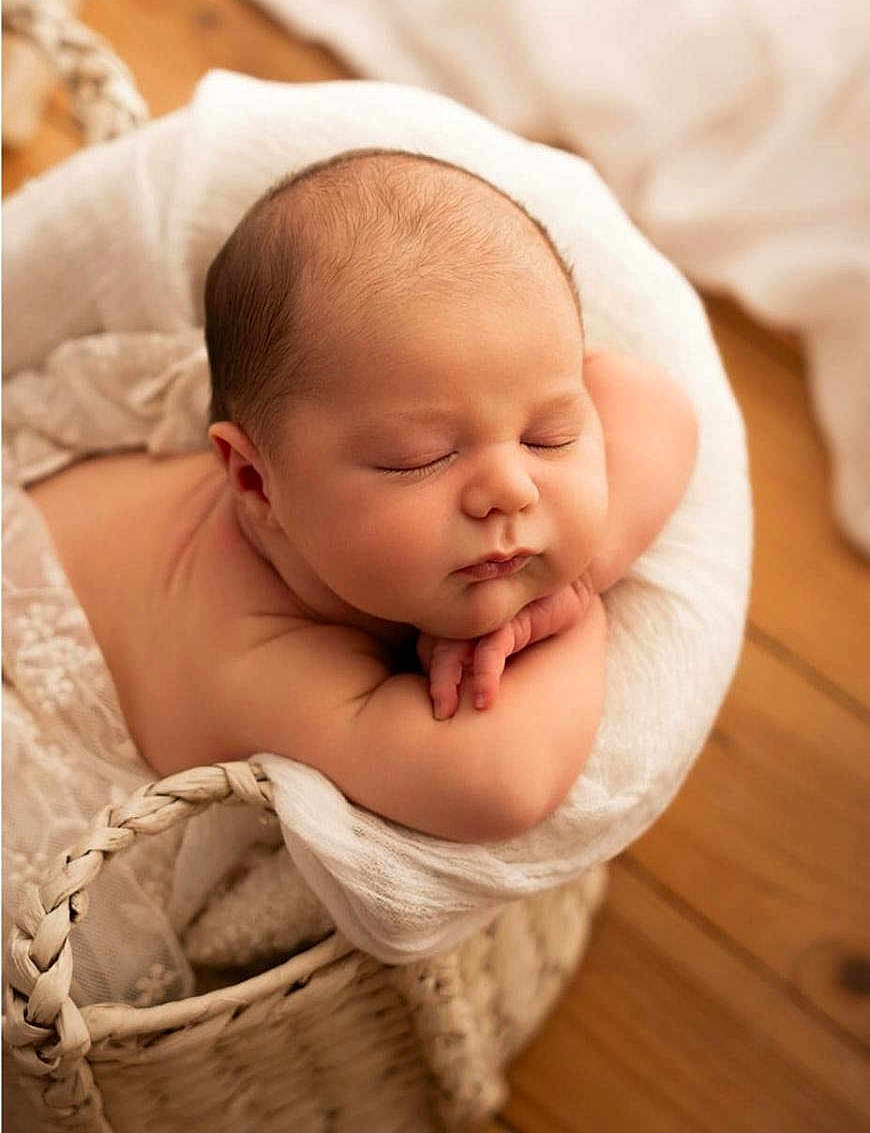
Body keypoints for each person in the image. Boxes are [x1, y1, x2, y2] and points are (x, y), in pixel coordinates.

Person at [28, 148, 699, 844]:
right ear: (257, 483)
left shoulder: (364, 477)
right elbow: (497, 784)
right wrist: (580, 612)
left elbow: (652, 400)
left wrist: (576, 580)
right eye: (422, 460)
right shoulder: (256, 656)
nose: (511, 488)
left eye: (548, 436)